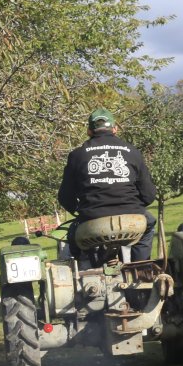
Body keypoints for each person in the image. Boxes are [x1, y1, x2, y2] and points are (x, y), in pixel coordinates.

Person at [57, 109, 158, 261]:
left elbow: (65, 197)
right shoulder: (133, 151)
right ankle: (141, 267)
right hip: (132, 220)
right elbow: (149, 195)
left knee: (72, 235)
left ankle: (83, 267)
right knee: (148, 225)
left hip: (92, 221)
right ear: (115, 129)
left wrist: (80, 210)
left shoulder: (76, 155)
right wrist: (133, 206)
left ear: (89, 131)